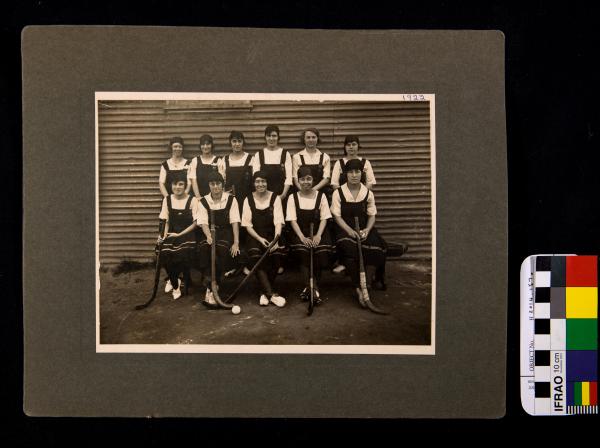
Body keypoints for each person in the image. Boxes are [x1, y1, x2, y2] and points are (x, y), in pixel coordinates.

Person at [330, 159, 386, 304]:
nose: (354, 175)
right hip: (344, 229)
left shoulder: (367, 193)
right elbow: (336, 216)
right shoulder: (338, 193)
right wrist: (348, 230)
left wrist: (367, 230)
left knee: (375, 248)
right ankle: (357, 287)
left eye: (357, 172)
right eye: (351, 172)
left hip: (363, 228)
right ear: (346, 174)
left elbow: (372, 215)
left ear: (362, 174)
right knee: (350, 249)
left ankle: (366, 285)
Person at [286, 166, 334, 304]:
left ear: (313, 180)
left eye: (309, 179)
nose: (306, 182)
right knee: (304, 252)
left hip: (319, 231)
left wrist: (318, 235)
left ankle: (310, 288)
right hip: (300, 232)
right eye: (302, 179)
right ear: (298, 181)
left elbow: (325, 218)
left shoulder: (321, 196)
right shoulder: (292, 197)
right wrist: (302, 237)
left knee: (320, 253)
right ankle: (313, 289)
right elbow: (292, 220)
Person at [241, 171, 287, 307]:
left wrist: (276, 239)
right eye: (257, 181)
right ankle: (271, 294)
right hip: (255, 235)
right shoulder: (248, 199)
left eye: (263, 181)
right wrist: (260, 239)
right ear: (254, 183)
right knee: (256, 256)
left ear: (267, 183)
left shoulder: (275, 198)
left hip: (273, 234)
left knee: (276, 256)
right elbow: (247, 225)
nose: (260, 184)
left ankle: (264, 293)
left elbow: (279, 221)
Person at [196, 172, 241, 307]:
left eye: (218, 183)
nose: (215, 187)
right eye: (212, 184)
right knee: (205, 249)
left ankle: (212, 287)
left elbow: (235, 221)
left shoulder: (231, 200)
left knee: (220, 250)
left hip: (225, 233)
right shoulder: (203, 201)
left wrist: (236, 242)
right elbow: (203, 222)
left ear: (222, 185)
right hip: (209, 232)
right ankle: (211, 288)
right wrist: (209, 236)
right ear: (209, 185)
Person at [157, 171, 198, 300]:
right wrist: (162, 236)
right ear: (171, 185)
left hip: (188, 233)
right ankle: (175, 283)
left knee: (183, 252)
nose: (177, 187)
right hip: (172, 232)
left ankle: (177, 279)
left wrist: (180, 234)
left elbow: (196, 223)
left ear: (185, 185)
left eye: (181, 184)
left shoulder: (193, 200)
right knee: (162, 251)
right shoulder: (167, 199)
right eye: (175, 184)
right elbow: (166, 221)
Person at [158, 136, 192, 293]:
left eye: (180, 146)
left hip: (184, 201)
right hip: (171, 200)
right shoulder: (165, 164)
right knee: (167, 241)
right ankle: (172, 278)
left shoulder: (188, 163)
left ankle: (181, 277)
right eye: (175, 146)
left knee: (182, 246)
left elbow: (190, 182)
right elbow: (161, 183)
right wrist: (169, 198)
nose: (177, 149)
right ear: (171, 148)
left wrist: (183, 197)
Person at [251, 125, 293, 201]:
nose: (271, 138)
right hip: (263, 196)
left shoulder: (285, 154)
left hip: (281, 195)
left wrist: (283, 195)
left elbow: (289, 178)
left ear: (278, 137)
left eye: (274, 136)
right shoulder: (259, 155)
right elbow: (256, 178)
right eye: (268, 136)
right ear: (265, 137)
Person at [292, 128, 331, 194]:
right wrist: (303, 191)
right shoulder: (296, 157)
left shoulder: (325, 157)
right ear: (304, 139)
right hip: (301, 193)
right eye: (308, 137)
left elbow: (326, 178)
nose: (311, 140)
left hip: (320, 194)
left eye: (313, 137)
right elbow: (295, 178)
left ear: (317, 139)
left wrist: (312, 190)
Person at [223, 130, 253, 213]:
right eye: (234, 141)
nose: (237, 144)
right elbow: (222, 181)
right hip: (230, 199)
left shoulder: (251, 159)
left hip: (247, 198)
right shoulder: (224, 160)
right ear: (230, 143)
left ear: (243, 142)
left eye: (239, 141)